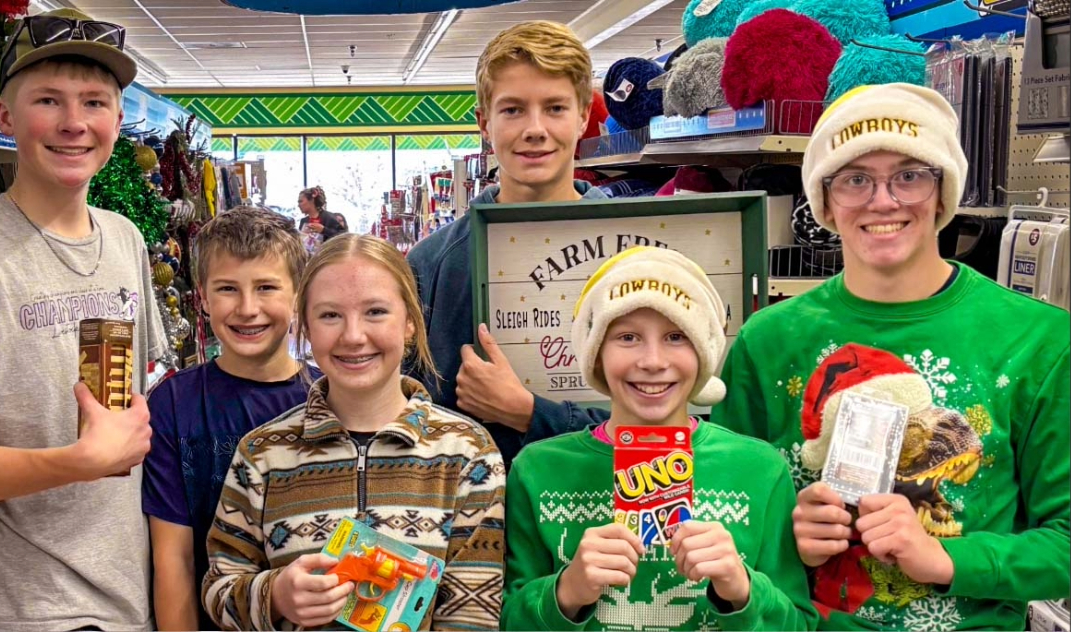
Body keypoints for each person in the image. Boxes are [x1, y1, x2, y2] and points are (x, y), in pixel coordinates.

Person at [713, 83, 1070, 630]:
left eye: (909, 176)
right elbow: (724, 521)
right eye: (855, 179)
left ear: (943, 191)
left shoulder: (1039, 340)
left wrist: (948, 559)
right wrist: (785, 539)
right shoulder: (768, 341)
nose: (883, 201)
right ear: (825, 201)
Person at [0, 9, 168, 630]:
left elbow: (134, 399)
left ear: (118, 120)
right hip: (36, 605)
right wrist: (79, 461)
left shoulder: (125, 239)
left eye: (94, 103)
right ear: (6, 117)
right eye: (48, 100)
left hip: (132, 589)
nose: (73, 123)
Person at [502, 247, 817, 631]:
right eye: (628, 337)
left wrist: (743, 589)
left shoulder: (760, 470)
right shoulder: (536, 471)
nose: (652, 361)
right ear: (595, 352)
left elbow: (798, 624)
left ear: (704, 351)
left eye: (676, 336)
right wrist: (566, 592)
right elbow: (508, 620)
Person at [203, 234, 506, 631]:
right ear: (305, 327)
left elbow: (475, 616)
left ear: (410, 321)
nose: (353, 336)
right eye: (330, 315)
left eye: (376, 312)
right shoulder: (261, 455)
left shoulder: (468, 454)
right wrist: (275, 596)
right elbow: (218, 588)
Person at [407, 20, 610, 465]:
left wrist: (531, 414)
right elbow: (401, 414)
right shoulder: (430, 266)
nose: (535, 129)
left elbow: (679, 420)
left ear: (583, 117)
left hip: (616, 500)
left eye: (555, 108)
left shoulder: (644, 252)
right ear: (484, 123)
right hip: (470, 505)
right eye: (513, 110)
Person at [142, 206, 324, 631]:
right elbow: (174, 560)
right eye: (227, 288)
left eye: (266, 287)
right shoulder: (173, 404)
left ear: (298, 294)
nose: (247, 308)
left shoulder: (331, 397)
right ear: (202, 298)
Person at [297, 185, 348, 249]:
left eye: (301, 201)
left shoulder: (329, 217)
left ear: (311, 200)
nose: (298, 205)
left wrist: (324, 230)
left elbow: (344, 236)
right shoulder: (303, 221)